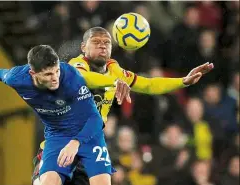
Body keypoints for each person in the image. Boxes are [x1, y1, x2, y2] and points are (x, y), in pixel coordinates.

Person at [32, 27, 214, 185]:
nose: (102, 45)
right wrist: (114, 82)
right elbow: (84, 79)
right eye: (96, 42)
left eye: (107, 42)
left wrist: (183, 81)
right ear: (83, 47)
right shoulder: (75, 65)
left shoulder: (114, 69)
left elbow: (148, 84)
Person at [0, 45, 132, 185]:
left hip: (88, 135)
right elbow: (1, 74)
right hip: (58, 136)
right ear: (33, 74)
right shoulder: (17, 78)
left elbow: (95, 118)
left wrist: (76, 143)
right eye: (48, 74)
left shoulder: (70, 78)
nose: (55, 78)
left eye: (57, 71)